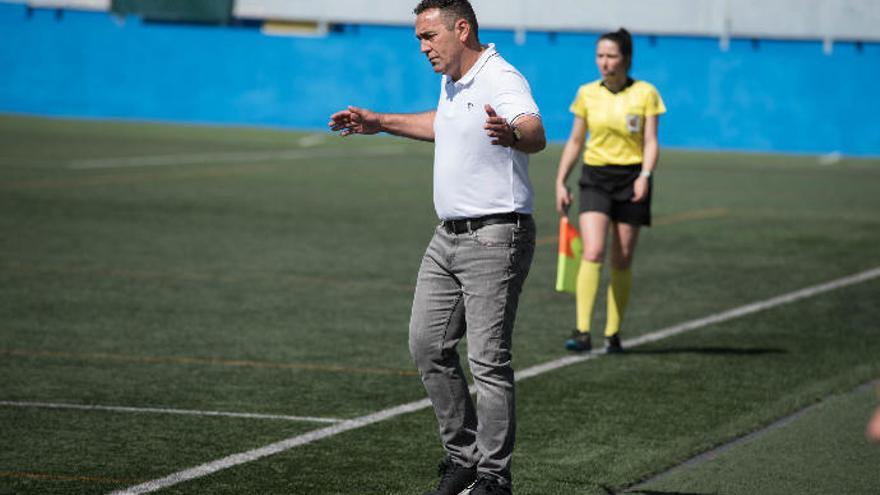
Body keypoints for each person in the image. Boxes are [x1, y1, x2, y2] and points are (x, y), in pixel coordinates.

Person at [328, 1, 545, 494]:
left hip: (497, 235)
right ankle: (463, 457)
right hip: (447, 237)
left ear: (461, 29)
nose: (423, 48)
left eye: (429, 37)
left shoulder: (500, 77)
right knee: (427, 345)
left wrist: (511, 133)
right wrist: (380, 121)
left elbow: (534, 130)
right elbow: (443, 124)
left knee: (488, 359)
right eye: (419, 39)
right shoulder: (453, 81)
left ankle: (494, 476)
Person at [554, 28, 666, 354]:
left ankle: (613, 333)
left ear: (627, 59)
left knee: (623, 258)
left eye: (611, 56)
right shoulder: (587, 93)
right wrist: (561, 180)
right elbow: (576, 140)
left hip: (632, 178)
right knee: (592, 251)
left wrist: (645, 175)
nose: (604, 62)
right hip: (595, 178)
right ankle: (582, 330)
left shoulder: (646, 93)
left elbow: (650, 141)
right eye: (600, 56)